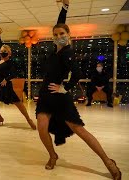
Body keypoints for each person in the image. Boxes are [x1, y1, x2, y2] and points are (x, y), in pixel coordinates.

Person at [35, 1, 121, 179]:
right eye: (56, 34)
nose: (59, 36)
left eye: (62, 33)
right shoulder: (55, 49)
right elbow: (59, 23)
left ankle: (108, 161)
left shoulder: (68, 52)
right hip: (45, 96)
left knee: (80, 130)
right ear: (53, 36)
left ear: (68, 35)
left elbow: (78, 73)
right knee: (41, 127)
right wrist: (64, 8)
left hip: (60, 97)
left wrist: (64, 87)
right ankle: (53, 155)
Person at [0, 28, 36, 129]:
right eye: (1, 51)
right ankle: (0, 118)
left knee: (19, 104)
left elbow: (14, 73)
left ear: (9, 53)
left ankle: (29, 120)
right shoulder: (0, 59)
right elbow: (0, 46)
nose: (2, 52)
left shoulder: (10, 62)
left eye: (5, 51)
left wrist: (6, 79)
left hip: (7, 87)